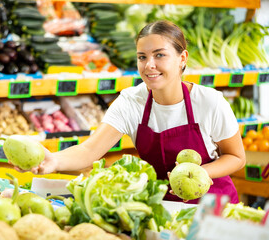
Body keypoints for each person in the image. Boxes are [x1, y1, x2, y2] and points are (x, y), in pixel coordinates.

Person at [14, 20, 246, 204]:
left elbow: (236, 157)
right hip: (162, 206)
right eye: (142, 57)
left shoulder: (209, 102)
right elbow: (89, 150)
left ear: (182, 58)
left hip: (214, 208)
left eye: (159, 55)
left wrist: (196, 173)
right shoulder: (131, 101)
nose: (149, 65)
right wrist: (53, 161)